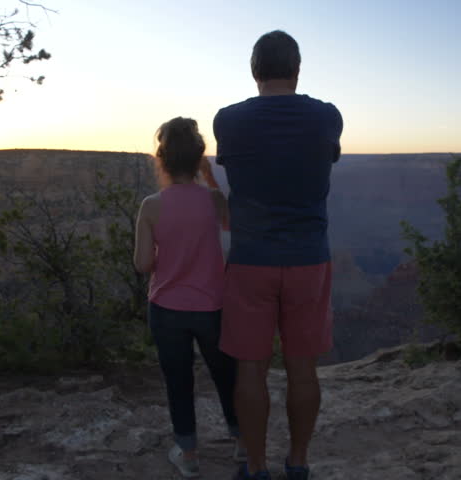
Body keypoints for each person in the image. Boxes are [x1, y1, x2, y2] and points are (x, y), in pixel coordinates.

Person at [213, 30, 343, 480]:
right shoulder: (327, 117)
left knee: (250, 367)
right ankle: (299, 463)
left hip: (250, 260)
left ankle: (255, 467)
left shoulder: (227, 121)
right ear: (297, 69)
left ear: (254, 71)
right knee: (302, 367)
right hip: (309, 259)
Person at [133, 117, 243, 478]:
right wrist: (210, 177)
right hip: (212, 306)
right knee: (226, 375)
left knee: (178, 381)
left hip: (167, 309)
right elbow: (231, 225)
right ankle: (242, 442)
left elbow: (143, 263)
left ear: (162, 159)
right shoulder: (212, 201)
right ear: (198, 157)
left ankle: (189, 454)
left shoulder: (151, 206)